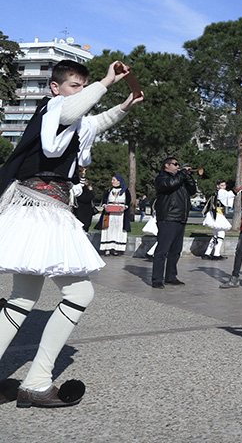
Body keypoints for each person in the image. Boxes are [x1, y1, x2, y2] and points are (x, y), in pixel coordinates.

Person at [0, 59, 141, 408]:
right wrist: (106, 82)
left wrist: (125, 104)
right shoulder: (52, 109)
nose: (80, 93)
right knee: (80, 293)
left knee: (22, 298)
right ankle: (37, 382)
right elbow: (72, 112)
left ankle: (35, 381)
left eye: (82, 86)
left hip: (39, 210)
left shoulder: (68, 119)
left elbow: (95, 121)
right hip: (41, 211)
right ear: (55, 87)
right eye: (74, 86)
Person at [151, 157, 197, 289]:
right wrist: (182, 173)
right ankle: (157, 279)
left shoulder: (181, 178)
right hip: (168, 217)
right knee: (162, 250)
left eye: (178, 164)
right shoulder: (162, 178)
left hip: (180, 217)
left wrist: (188, 177)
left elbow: (192, 191)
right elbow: (170, 184)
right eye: (175, 164)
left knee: (176, 250)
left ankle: (171, 276)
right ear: (167, 165)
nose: (178, 166)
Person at [96, 174, 131, 256]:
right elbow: (104, 200)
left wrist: (124, 207)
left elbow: (128, 202)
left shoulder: (125, 191)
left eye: (114, 180)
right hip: (109, 214)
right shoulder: (109, 190)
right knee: (109, 230)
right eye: (112, 180)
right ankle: (107, 249)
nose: (112, 181)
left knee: (118, 230)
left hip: (120, 215)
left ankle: (116, 249)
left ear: (119, 181)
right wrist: (105, 206)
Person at [201, 180, 234, 260]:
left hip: (216, 214)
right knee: (221, 234)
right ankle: (216, 254)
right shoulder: (221, 192)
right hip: (217, 215)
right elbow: (229, 195)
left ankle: (207, 253)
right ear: (218, 186)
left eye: (224, 185)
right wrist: (237, 191)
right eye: (222, 185)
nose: (223, 187)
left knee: (215, 235)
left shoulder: (216, 193)